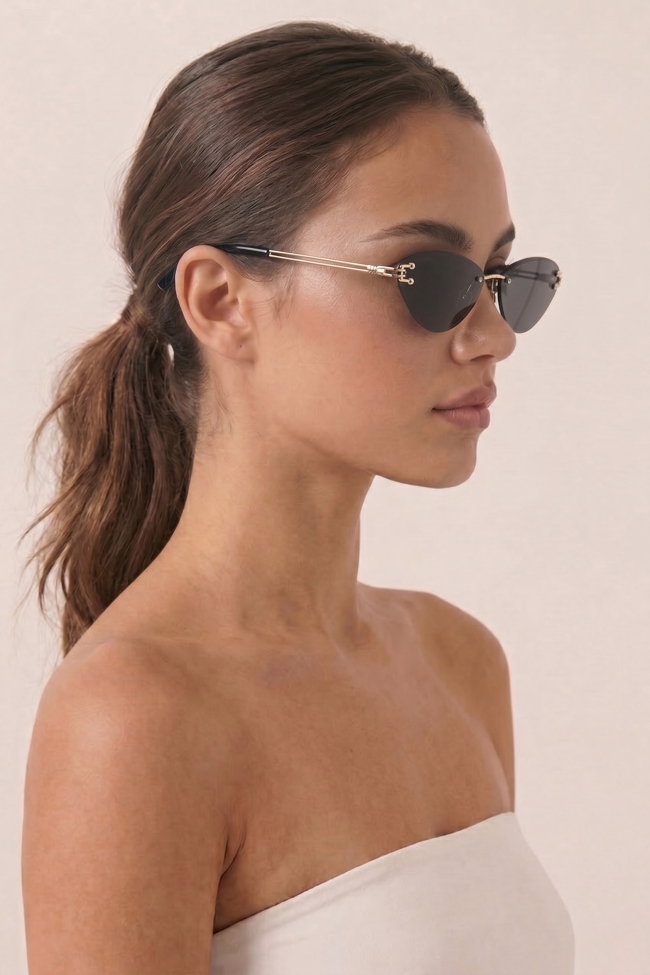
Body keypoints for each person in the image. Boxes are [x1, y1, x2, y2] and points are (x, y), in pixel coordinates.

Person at [20, 20, 573, 975]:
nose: (495, 336)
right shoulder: (135, 716)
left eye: (504, 280)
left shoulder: (458, 661)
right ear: (220, 301)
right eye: (431, 277)